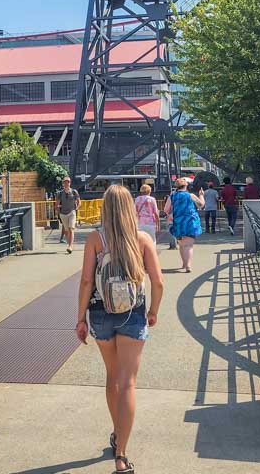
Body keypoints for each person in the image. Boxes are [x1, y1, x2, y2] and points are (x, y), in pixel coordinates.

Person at [75, 185, 164, 474]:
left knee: (112, 378)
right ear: (130, 208)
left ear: (105, 208)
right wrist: (153, 312)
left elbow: (87, 282)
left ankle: (116, 432)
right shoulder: (142, 239)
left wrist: (80, 319)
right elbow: (158, 283)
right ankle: (122, 454)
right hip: (132, 314)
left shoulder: (95, 239)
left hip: (101, 314)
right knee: (128, 383)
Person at [165, 177, 202, 272]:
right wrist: (201, 195)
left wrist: (172, 214)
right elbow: (201, 205)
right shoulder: (191, 196)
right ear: (186, 185)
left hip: (178, 222)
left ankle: (184, 263)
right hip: (190, 222)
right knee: (188, 245)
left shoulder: (172, 196)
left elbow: (166, 209)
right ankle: (188, 265)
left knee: (181, 244)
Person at [56, 176, 80, 254]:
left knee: (71, 229)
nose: (66, 183)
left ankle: (70, 246)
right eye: (65, 182)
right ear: (63, 183)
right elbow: (57, 204)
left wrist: (77, 208)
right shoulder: (60, 193)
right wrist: (59, 212)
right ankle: (69, 244)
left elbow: (79, 201)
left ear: (70, 183)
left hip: (72, 212)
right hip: (63, 214)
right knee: (66, 231)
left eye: (68, 182)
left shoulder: (74, 192)